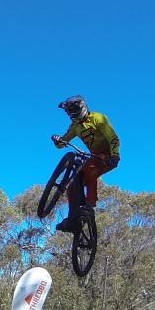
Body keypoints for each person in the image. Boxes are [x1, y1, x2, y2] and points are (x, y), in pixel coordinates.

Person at [51, 96, 120, 233]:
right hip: (94, 156)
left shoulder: (98, 118)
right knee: (72, 186)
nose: (71, 115)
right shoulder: (75, 126)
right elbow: (63, 142)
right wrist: (58, 141)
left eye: (73, 111)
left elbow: (113, 138)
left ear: (82, 108)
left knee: (90, 169)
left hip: (109, 156)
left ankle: (90, 206)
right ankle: (73, 219)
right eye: (69, 112)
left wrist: (115, 155)